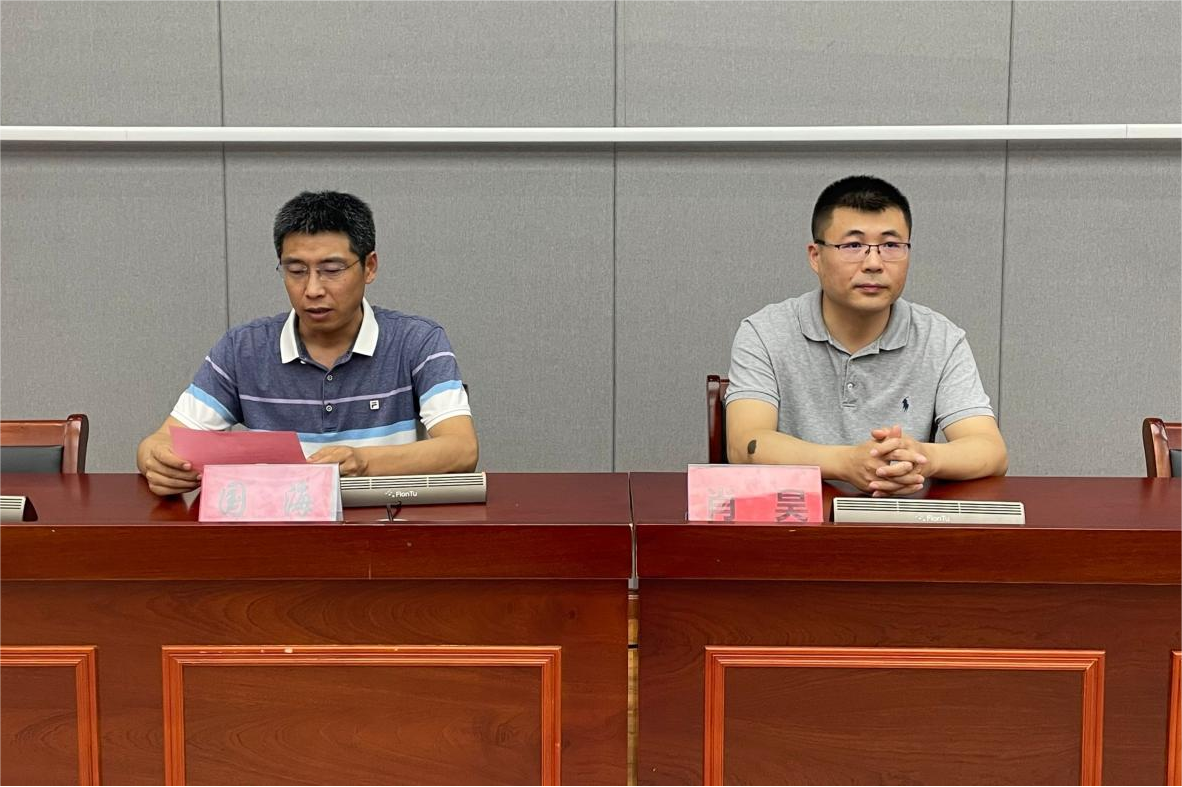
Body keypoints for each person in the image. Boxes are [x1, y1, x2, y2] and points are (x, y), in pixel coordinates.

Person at [137, 191, 478, 496]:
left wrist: (363, 462)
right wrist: (156, 462)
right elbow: (160, 442)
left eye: (332, 269)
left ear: (369, 267)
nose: (313, 289)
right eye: (296, 271)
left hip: (384, 527)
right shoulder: (243, 349)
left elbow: (461, 449)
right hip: (279, 531)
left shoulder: (417, 341)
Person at [725, 175, 1007, 496]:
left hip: (897, 519)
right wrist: (845, 463)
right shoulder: (765, 332)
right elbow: (744, 444)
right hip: (796, 519)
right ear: (816, 256)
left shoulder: (940, 339)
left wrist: (922, 457)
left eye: (891, 246)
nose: (873, 263)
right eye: (853, 246)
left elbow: (990, 450)